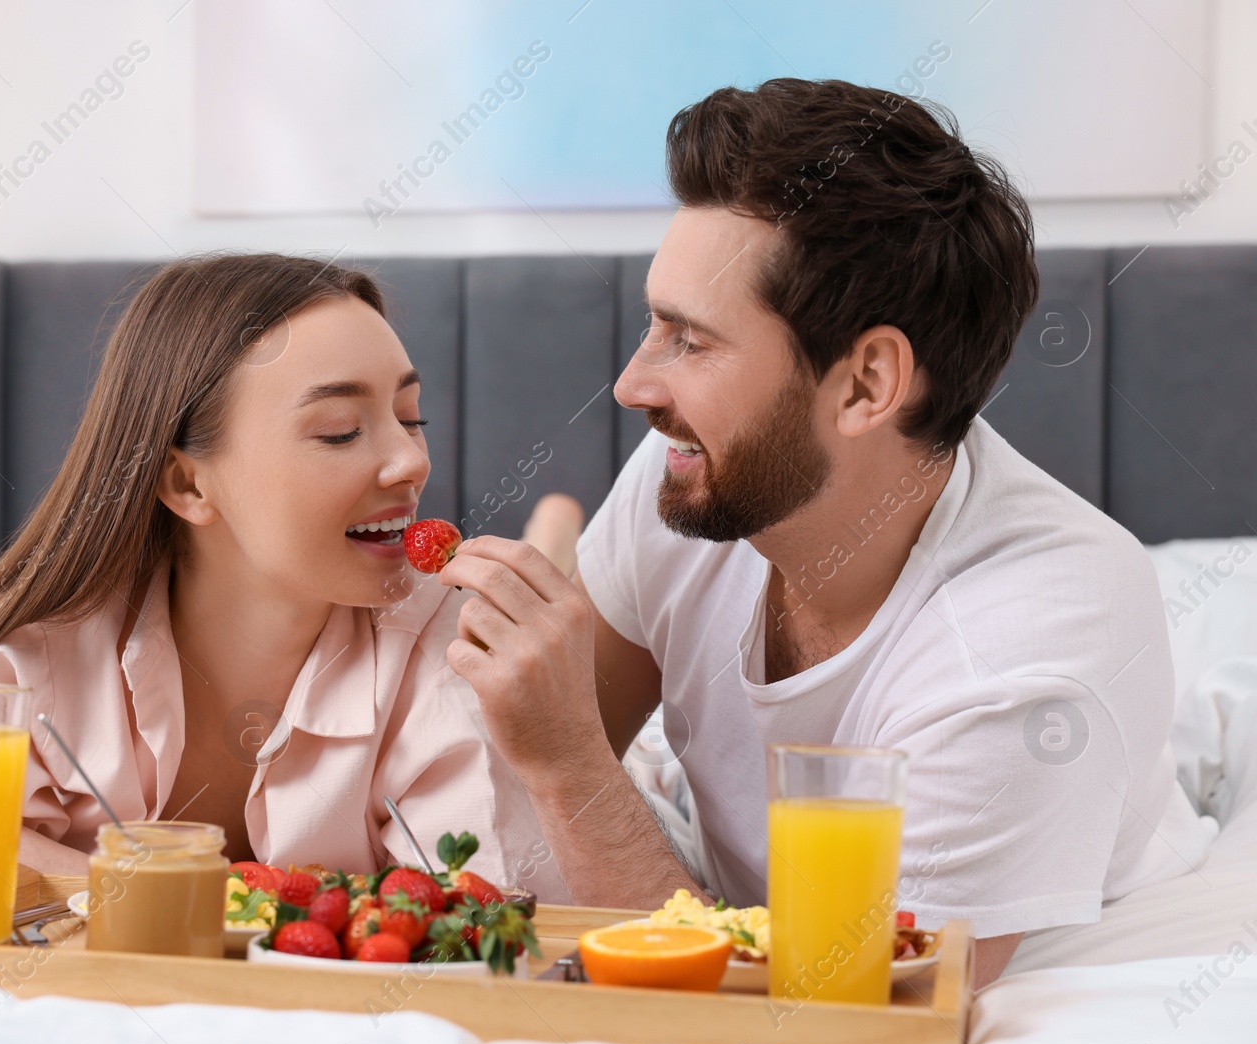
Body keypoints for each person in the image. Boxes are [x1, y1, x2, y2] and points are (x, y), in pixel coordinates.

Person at [436, 79, 1212, 985]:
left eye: (690, 340)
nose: (633, 388)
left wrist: (572, 765)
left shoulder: (1028, 661)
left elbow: (828, 1016)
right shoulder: (698, 469)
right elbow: (522, 755)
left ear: (865, 383)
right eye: (655, 325)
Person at [0, 253, 567, 901]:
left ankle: (559, 532)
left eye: (412, 418)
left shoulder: (441, 643)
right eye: (341, 429)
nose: (412, 463)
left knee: (555, 567)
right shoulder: (48, 660)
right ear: (188, 485)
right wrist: (178, 890)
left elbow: (484, 903)